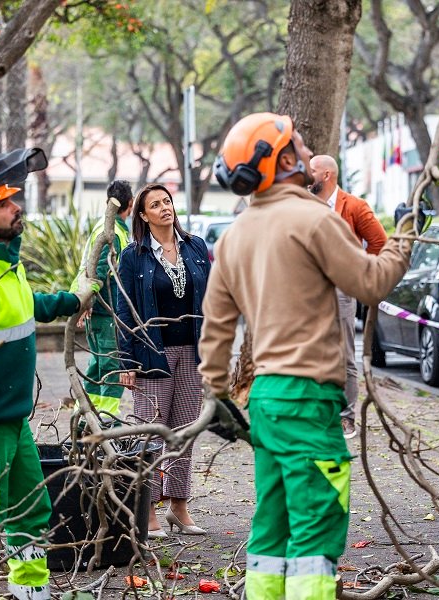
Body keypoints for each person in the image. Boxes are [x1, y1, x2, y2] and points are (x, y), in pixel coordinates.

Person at [200, 112, 415, 599]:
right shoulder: (314, 218)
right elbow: (371, 282)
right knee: (317, 526)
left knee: (271, 527)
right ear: (284, 159)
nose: (304, 149)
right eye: (297, 143)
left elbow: (216, 327)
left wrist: (215, 392)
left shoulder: (233, 236)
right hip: (307, 398)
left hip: (265, 400)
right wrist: (404, 237)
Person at [0, 166, 98, 600]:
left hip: (13, 423)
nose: (16, 206)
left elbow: (29, 306)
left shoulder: (3, 265)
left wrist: (73, 300)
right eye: (3, 203)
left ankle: (31, 592)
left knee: (31, 510)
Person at [116, 183, 211, 538]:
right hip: (151, 354)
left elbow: (212, 299)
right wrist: (126, 361)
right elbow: (124, 308)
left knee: (184, 432)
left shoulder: (196, 247)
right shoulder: (133, 255)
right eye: (154, 204)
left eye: (167, 201)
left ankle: (179, 508)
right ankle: (149, 511)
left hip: (193, 352)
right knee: (152, 434)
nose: (164, 208)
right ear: (142, 215)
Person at [309, 154, 387, 440]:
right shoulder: (303, 206)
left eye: (312, 171)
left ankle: (346, 418)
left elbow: (379, 242)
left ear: (327, 175)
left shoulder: (352, 206)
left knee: (343, 355)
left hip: (341, 290)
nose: (307, 175)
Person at [73, 180, 134, 418]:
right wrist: (87, 302)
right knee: (111, 369)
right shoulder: (115, 233)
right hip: (106, 313)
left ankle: (84, 417)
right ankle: (107, 420)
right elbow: (97, 273)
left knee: (97, 368)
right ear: (129, 205)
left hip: (96, 312)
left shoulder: (103, 227)